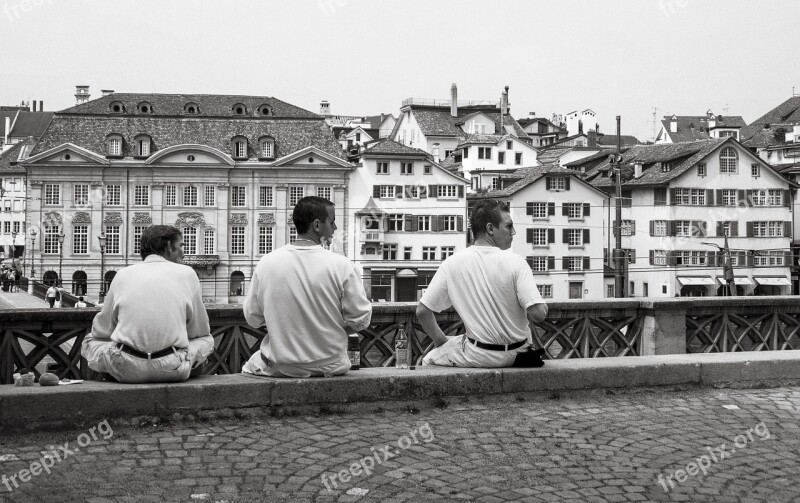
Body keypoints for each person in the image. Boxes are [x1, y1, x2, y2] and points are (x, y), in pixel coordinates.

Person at [242, 196, 372, 378]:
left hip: (282, 365)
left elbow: (253, 318)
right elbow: (361, 319)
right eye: (332, 222)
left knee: (250, 365)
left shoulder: (267, 262)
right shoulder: (341, 265)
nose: (334, 228)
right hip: (331, 365)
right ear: (317, 225)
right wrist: (331, 326)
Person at [416, 199, 549, 368]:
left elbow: (422, 311)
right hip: (520, 354)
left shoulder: (452, 263)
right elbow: (538, 314)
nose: (513, 232)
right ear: (490, 229)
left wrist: (441, 341)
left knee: (428, 360)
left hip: (479, 355)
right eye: (508, 226)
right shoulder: (516, 262)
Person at [81, 225, 214, 383]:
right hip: (173, 367)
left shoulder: (122, 275)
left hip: (125, 367)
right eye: (181, 246)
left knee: (89, 339)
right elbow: (199, 330)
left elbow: (102, 330)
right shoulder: (187, 273)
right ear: (169, 246)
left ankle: (107, 374)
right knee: (207, 339)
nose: (183, 253)